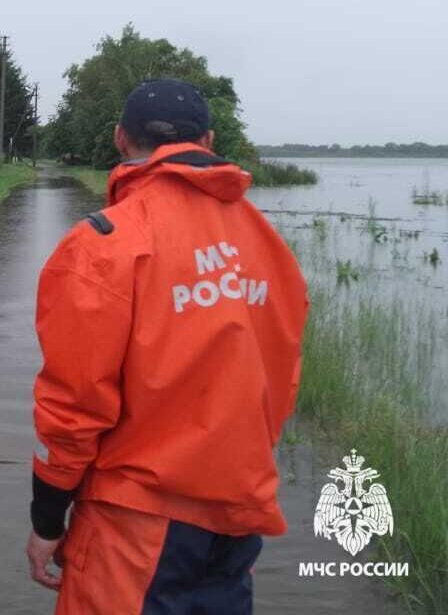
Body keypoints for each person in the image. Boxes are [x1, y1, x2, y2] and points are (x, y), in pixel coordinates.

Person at [25, 79, 309, 614]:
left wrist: (46, 520)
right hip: (236, 519)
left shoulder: (104, 243)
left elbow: (72, 406)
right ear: (207, 139)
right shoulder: (269, 245)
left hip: (136, 526)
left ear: (119, 139)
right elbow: (281, 378)